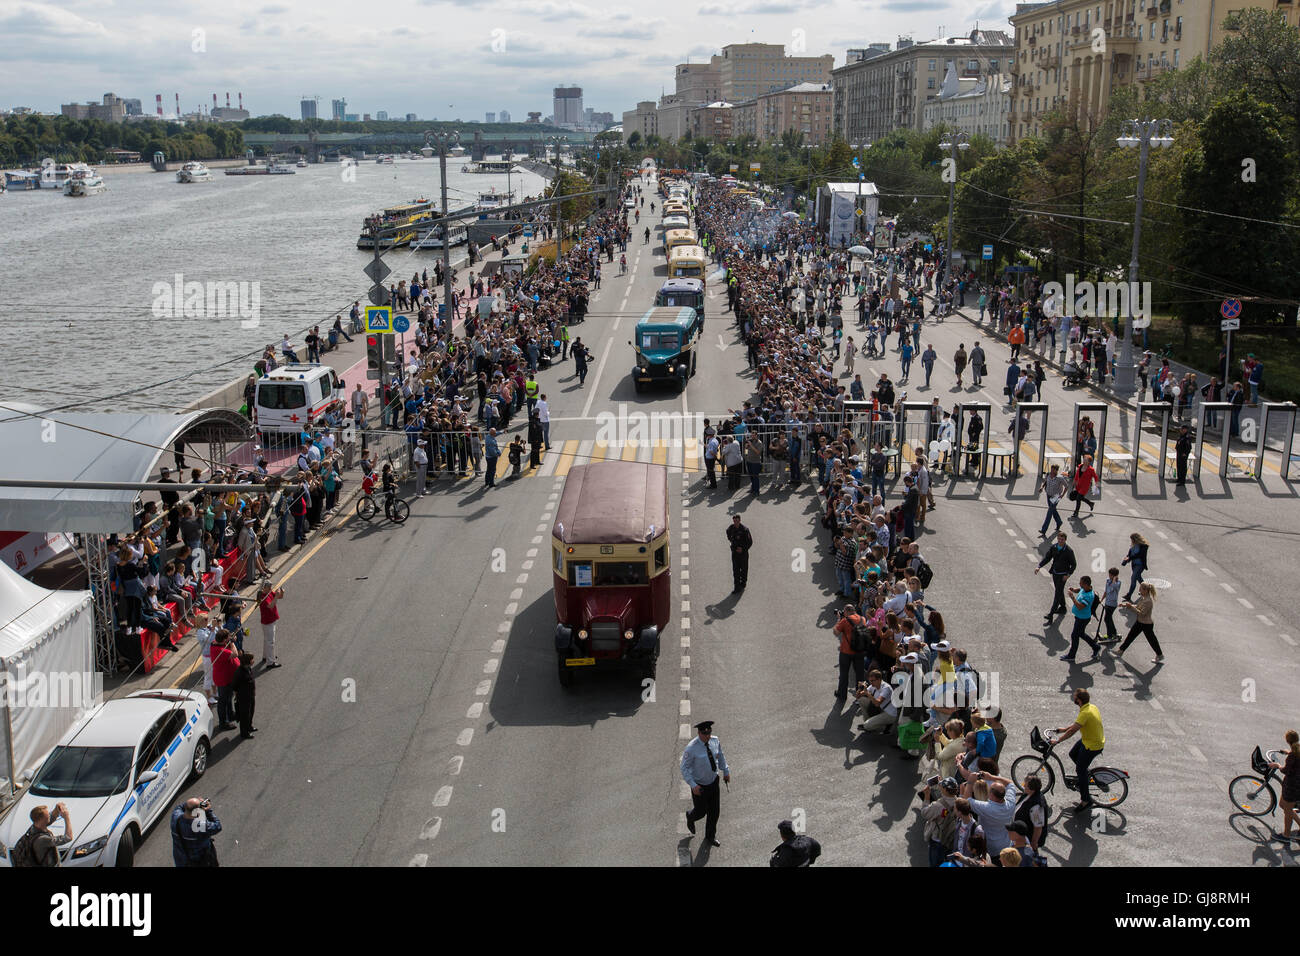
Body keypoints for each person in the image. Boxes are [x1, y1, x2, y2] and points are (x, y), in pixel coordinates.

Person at [1054, 688, 1105, 811]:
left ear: (1079, 700)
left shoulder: (1085, 713)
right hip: (1089, 739)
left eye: (1075, 697)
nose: (1073, 698)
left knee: (1080, 769)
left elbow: (1073, 731)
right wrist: (1064, 729)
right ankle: (1084, 777)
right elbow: (1077, 724)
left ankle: (1086, 800)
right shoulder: (1090, 707)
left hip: (1092, 745)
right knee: (1073, 753)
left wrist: (1057, 741)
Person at [681, 720, 730, 848]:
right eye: (704, 733)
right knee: (701, 812)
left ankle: (710, 836)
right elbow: (684, 768)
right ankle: (690, 816)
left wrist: (725, 770)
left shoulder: (715, 741)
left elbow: (720, 756)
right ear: (699, 733)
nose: (707, 735)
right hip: (700, 786)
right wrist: (693, 785)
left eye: (709, 732)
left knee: (714, 812)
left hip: (713, 782)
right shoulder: (692, 748)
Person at [9, 803, 74, 866]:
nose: (49, 815)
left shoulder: (34, 827)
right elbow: (68, 838)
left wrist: (56, 809)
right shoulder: (42, 839)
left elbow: (50, 819)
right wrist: (66, 817)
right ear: (41, 819)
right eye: (47, 814)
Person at [1117, 581, 1164, 662]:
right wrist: (1126, 605)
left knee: (1152, 640)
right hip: (1140, 622)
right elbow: (1138, 606)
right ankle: (1121, 650)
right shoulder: (1143, 598)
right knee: (1131, 636)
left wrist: (1131, 607)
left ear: (1145, 590)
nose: (1139, 591)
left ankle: (1159, 655)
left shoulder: (1148, 601)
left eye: (1140, 590)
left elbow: (1142, 613)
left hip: (1146, 624)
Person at [1035, 531, 1077, 622]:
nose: (1060, 541)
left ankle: (1051, 614)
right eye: (1059, 539)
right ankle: (1062, 607)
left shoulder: (1069, 551)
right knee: (1059, 590)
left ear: (1065, 540)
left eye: (1062, 539)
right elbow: (1047, 558)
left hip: (1063, 576)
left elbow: (1073, 565)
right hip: (1055, 573)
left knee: (1057, 593)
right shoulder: (1054, 547)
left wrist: (1068, 575)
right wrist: (1039, 566)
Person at [1268, 729, 1300, 845]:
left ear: (1288, 741)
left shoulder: (1293, 755)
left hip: (1292, 787)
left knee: (1287, 810)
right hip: (1295, 786)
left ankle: (1286, 836)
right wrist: (1289, 753)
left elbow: (1286, 770)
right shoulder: (1297, 750)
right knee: (1283, 805)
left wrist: (1277, 765)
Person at [171, 797, 222, 867]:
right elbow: (217, 826)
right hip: (201, 861)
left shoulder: (175, 816)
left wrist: (193, 804)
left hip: (182, 860)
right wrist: (208, 811)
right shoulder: (201, 827)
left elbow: (180, 807)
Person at [1061, 575, 1100, 663]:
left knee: (1074, 635)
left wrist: (1072, 597)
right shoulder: (1086, 588)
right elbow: (1080, 589)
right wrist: (1074, 590)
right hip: (1079, 617)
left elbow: (1080, 607)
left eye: (1081, 583)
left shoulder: (1088, 596)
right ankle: (1096, 647)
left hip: (1083, 619)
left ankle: (1071, 655)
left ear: (1086, 584)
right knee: (1081, 634)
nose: (1080, 584)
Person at [833, 604, 867, 701]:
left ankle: (842, 695)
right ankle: (860, 696)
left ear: (846, 611)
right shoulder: (862, 619)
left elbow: (836, 632)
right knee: (860, 675)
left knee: (844, 674)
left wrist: (839, 619)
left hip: (846, 652)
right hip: (859, 651)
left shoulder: (844, 621)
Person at [257, 581, 284, 668]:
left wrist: (281, 593)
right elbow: (271, 605)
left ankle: (266, 656)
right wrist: (276, 596)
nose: (271, 589)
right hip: (268, 622)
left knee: (267, 640)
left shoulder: (268, 593)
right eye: (269, 587)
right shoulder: (263, 597)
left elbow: (279, 597)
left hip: (270, 620)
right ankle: (270, 662)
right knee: (270, 642)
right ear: (265, 588)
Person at [232, 652, 257, 738]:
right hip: (243, 698)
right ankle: (244, 732)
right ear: (248, 661)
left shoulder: (248, 669)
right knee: (244, 715)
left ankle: (249, 726)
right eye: (252, 659)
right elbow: (234, 686)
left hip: (251, 695)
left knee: (251, 712)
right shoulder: (239, 673)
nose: (253, 661)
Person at [1040, 463, 1068, 536]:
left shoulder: (1060, 478)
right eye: (1051, 469)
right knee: (1053, 510)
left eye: (1053, 470)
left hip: (1056, 497)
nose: (1052, 471)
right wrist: (1042, 487)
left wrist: (1062, 495)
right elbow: (1046, 481)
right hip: (1048, 495)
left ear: (1056, 470)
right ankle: (1059, 522)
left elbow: (1067, 486)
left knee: (1049, 512)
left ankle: (1043, 530)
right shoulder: (1048, 474)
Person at [726, 515, 752, 593]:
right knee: (736, 571)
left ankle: (743, 583)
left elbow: (750, 542)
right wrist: (732, 542)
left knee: (744, 570)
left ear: (740, 520)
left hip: (743, 554)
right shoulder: (731, 528)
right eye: (734, 521)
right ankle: (736, 588)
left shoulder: (745, 530)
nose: (736, 523)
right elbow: (728, 534)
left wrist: (742, 549)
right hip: (735, 553)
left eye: (737, 521)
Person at [1121, 532, 1149, 601]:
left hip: (1140, 565)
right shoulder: (1133, 545)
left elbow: (1139, 555)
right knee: (1138, 577)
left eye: (1132, 540)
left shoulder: (1144, 546)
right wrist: (1126, 559)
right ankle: (1147, 589)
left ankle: (1129, 595)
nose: (1131, 541)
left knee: (1133, 578)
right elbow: (1130, 554)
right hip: (1134, 565)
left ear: (1135, 539)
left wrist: (1129, 558)